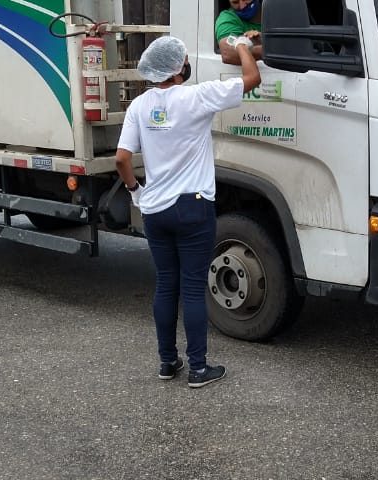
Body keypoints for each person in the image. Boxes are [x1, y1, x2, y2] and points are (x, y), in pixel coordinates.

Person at [115, 35, 261, 388]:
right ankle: (198, 368)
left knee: (166, 285)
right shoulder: (197, 96)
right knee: (194, 288)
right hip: (193, 207)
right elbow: (252, 78)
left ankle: (167, 363)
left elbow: (121, 159)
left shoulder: (139, 106)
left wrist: (135, 191)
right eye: (183, 60)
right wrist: (243, 46)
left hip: (155, 209)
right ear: (178, 69)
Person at [215, 0, 263, 65]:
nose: (242, 6)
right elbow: (228, 53)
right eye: (235, 2)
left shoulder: (275, 13)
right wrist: (268, 49)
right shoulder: (227, 18)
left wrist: (263, 40)